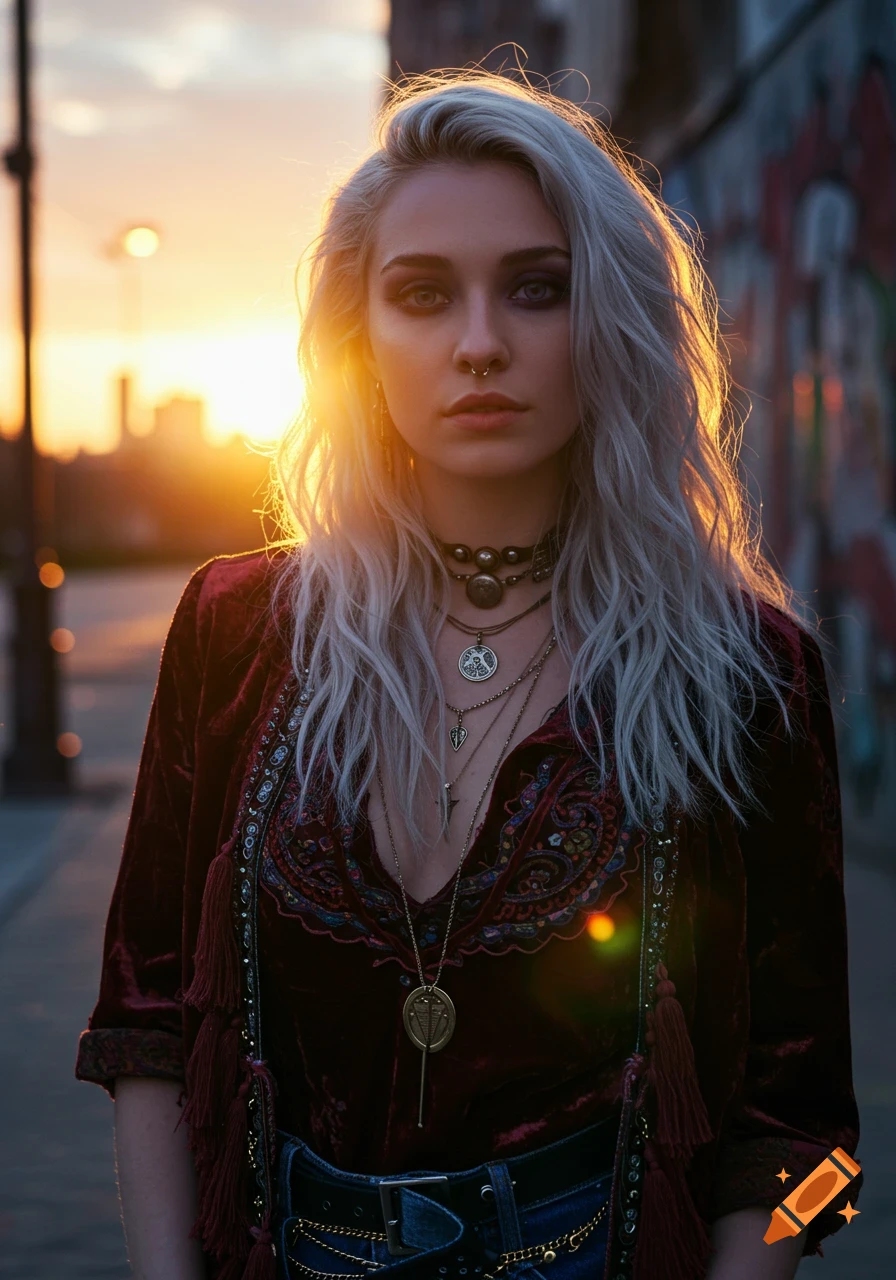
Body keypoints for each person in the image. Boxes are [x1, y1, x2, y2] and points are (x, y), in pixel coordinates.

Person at [75, 73, 861, 1280]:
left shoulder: (743, 669)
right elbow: (143, 1030)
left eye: (536, 289)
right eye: (423, 295)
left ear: (610, 316)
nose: (480, 342)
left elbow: (811, 1142)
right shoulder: (237, 628)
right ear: (358, 336)